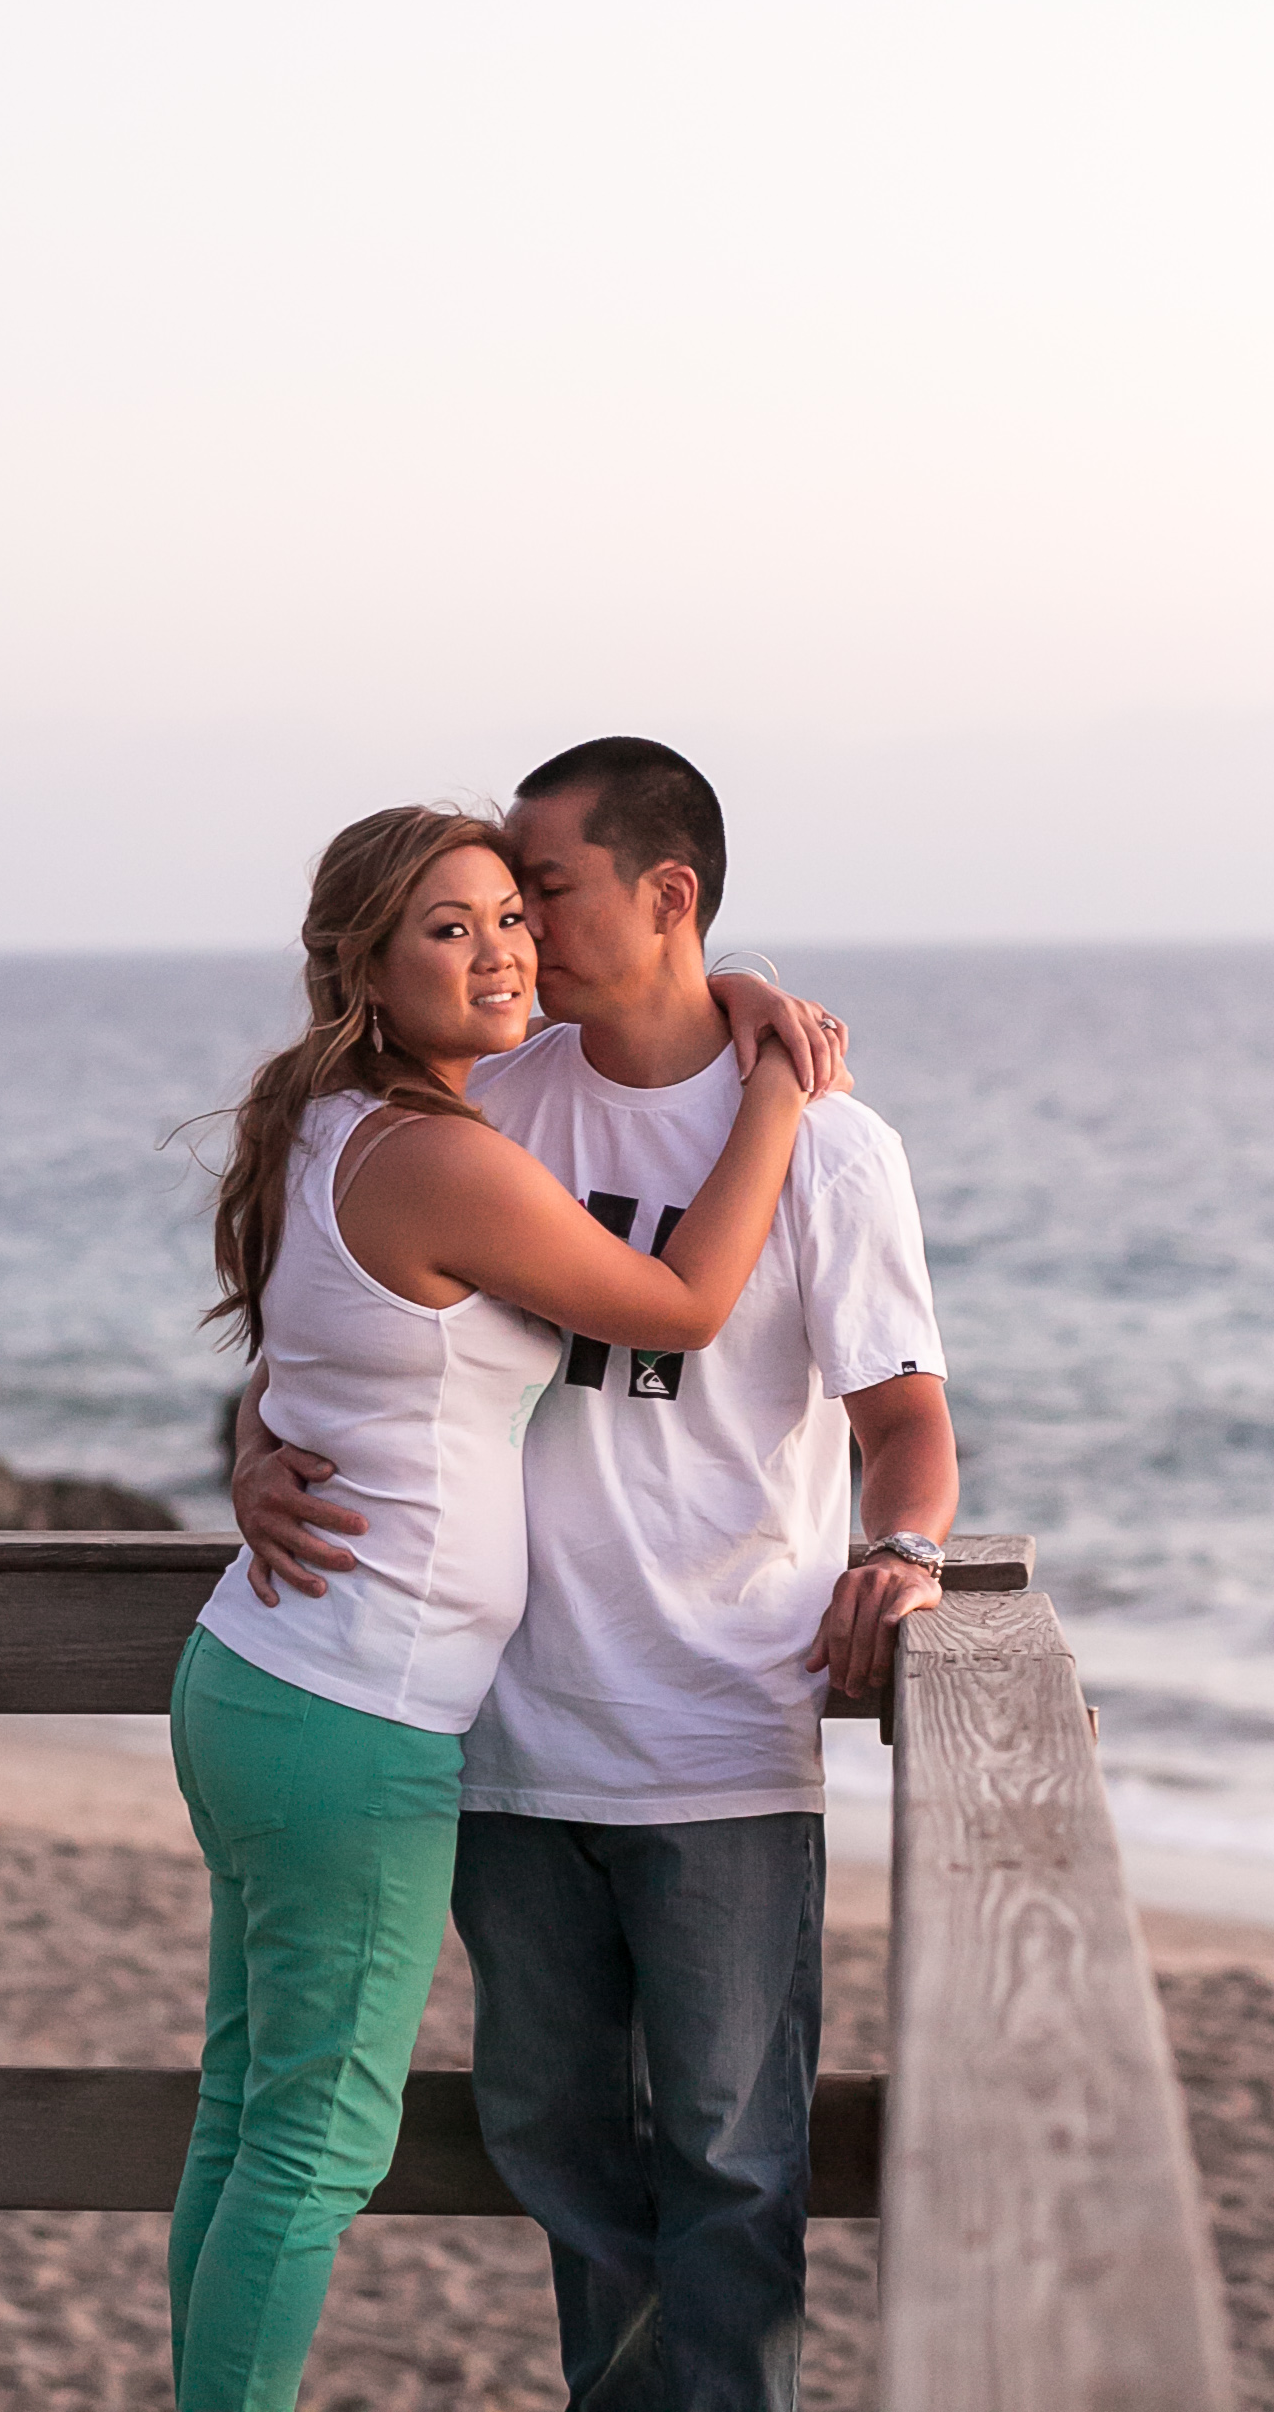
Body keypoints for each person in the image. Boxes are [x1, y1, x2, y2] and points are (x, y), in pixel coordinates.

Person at [234, 737, 959, 2412]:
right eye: (489, 901)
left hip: (719, 1730)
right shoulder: (493, 1091)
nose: (513, 931)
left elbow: (906, 1426)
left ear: (668, 895)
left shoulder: (833, 1150)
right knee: (558, 2151)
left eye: (541, 888)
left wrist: (903, 1556)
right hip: (503, 1733)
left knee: (730, 2166)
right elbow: (349, 1316)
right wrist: (255, 1444)